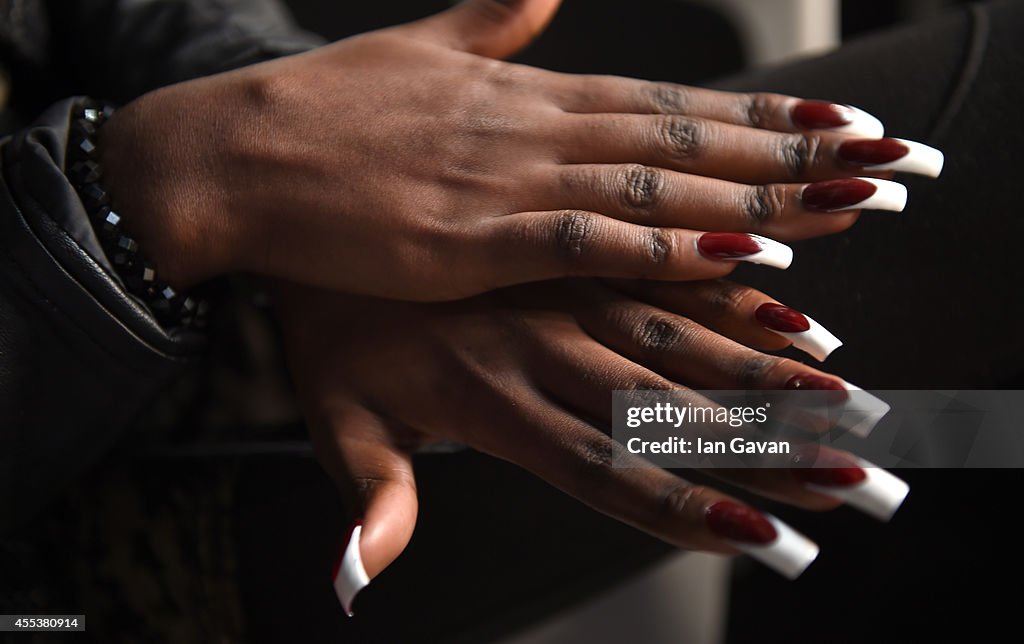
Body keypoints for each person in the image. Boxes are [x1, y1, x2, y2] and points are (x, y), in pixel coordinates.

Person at [1, 0, 1020, 641]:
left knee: (885, 420)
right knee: (851, 419)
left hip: (257, 255)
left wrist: (311, 152)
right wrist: (166, 181)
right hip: (70, 565)